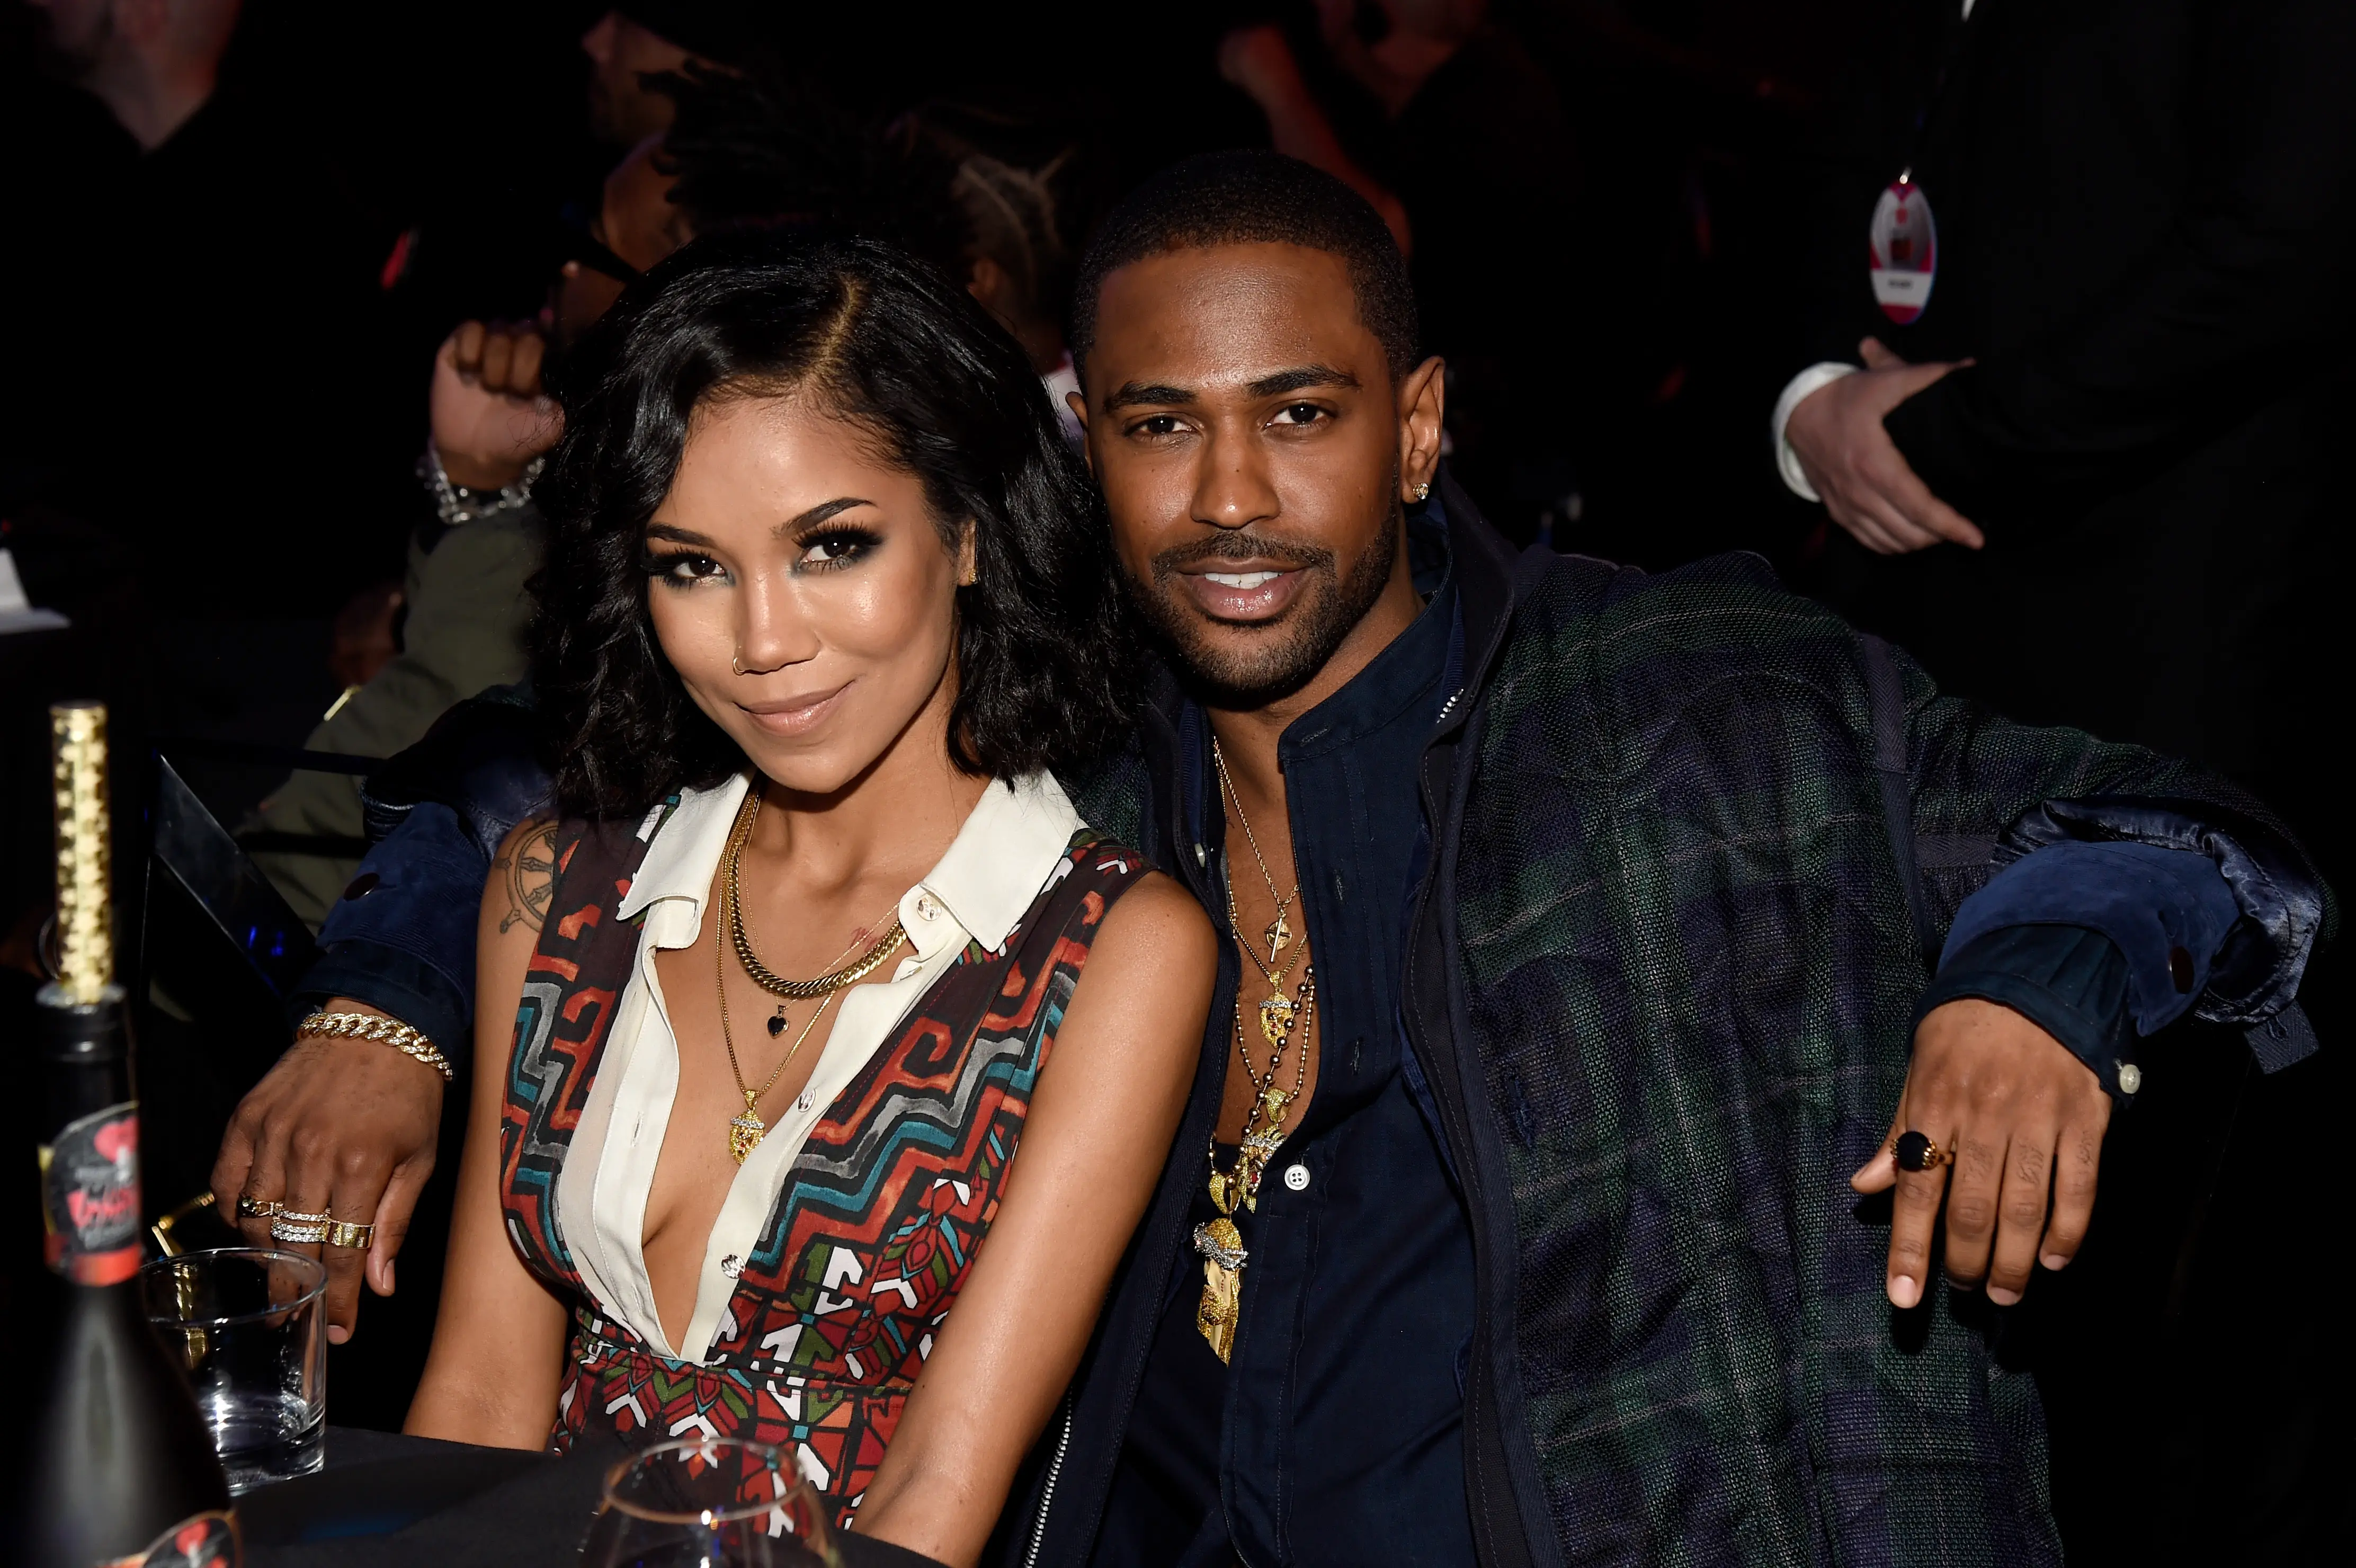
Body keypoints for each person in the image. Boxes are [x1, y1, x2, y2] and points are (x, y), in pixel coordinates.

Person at [222, 154, 2327, 1563]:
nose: (1229, 497)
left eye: (1298, 415)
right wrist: (383, 1006)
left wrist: (2021, 984)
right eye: (1159, 426)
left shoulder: (1678, 690)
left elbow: (2176, 820)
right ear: (1083, 443)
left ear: (1413, 431)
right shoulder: (1061, 744)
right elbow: (583, 787)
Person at [379, 234, 1214, 1556]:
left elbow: (937, 1488)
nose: (764, 641)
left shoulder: (1107, 952)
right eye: (692, 564)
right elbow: (480, 1394)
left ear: (968, 535)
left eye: (831, 546)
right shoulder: (555, 891)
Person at [1771, 2, 2354, 1553]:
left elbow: (2292, 232)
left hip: (2178, 649)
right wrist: (1812, 406)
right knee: (1903, 1227)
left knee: (2145, 1292)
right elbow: (1826, 156)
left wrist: (1955, 439)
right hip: (1904, 642)